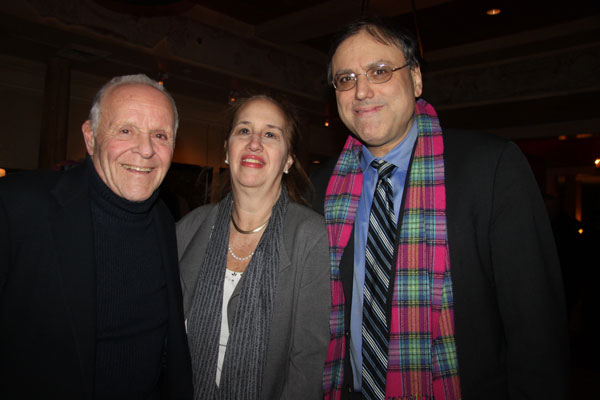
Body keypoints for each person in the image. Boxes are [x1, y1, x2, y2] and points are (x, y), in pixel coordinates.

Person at [311, 18, 569, 400]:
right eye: (346, 79)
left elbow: (536, 330)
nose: (361, 91)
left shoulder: (491, 168)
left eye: (379, 71)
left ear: (415, 79)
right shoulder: (321, 187)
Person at [0, 74, 193, 399]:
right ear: (90, 138)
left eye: (159, 135)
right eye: (126, 130)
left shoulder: (162, 217)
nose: (145, 150)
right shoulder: (18, 206)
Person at [177, 94, 330, 400]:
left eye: (271, 134)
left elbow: (307, 364)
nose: (254, 143)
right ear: (226, 150)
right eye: (243, 130)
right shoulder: (189, 228)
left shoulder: (309, 236)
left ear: (288, 160)